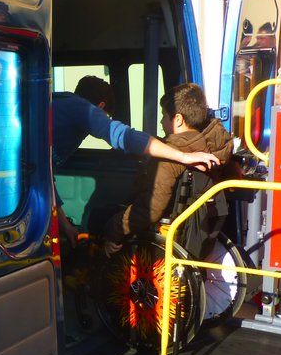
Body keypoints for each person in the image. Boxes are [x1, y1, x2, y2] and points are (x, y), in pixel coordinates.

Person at [51, 76, 219, 246]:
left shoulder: (59, 104)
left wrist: (65, 225)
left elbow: (45, 178)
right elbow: (124, 136)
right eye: (104, 117)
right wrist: (183, 157)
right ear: (100, 106)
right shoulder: (81, 109)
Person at [108, 82, 233, 239]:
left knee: (100, 220)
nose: (161, 121)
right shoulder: (218, 148)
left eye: (164, 116)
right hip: (203, 234)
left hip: (167, 236)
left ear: (178, 119)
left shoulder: (168, 157)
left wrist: (115, 228)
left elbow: (150, 210)